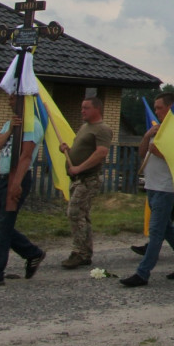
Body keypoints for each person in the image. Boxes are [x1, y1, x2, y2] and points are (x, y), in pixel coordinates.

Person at [120, 92, 174, 287]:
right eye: (155, 108)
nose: (156, 111)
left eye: (159, 108)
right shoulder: (158, 129)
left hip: (165, 187)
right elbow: (142, 152)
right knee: (167, 229)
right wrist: (147, 136)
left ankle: (143, 273)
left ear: (170, 108)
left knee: (155, 232)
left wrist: (160, 154)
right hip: (152, 185)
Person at [0, 94, 47, 287]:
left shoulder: (33, 126)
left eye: (13, 98)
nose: (9, 101)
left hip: (17, 177)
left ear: (23, 101)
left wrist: (17, 183)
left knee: (3, 227)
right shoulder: (9, 124)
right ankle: (32, 253)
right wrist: (10, 130)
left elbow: (26, 156)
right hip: (3, 177)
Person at [59, 95, 113, 269]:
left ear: (96, 109)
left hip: (88, 178)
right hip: (77, 178)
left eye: (86, 108)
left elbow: (101, 153)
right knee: (81, 214)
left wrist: (79, 167)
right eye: (82, 107)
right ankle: (84, 251)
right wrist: (67, 151)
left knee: (75, 212)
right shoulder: (85, 127)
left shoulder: (102, 129)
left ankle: (80, 252)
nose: (82, 111)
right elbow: (81, 149)